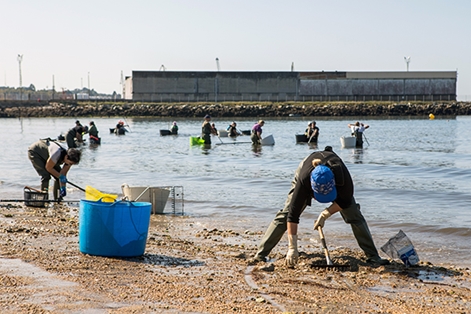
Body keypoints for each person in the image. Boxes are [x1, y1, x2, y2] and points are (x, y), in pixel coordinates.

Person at [252, 146, 389, 266]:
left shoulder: (343, 180)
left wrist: (325, 214)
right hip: (307, 168)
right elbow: (292, 215)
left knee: (354, 215)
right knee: (285, 214)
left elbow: (344, 202)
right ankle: (260, 254)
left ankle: (373, 256)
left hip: (332, 170)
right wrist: (292, 247)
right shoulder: (304, 180)